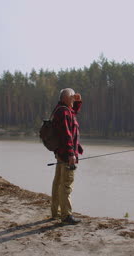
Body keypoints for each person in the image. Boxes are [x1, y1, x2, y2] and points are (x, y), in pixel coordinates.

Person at [51, 88, 83, 224]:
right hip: (66, 155)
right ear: (66, 98)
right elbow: (66, 134)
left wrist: (78, 101)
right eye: (72, 97)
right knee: (66, 185)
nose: (73, 99)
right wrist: (71, 154)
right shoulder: (64, 112)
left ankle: (56, 212)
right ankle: (66, 216)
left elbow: (73, 112)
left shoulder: (61, 110)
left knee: (58, 183)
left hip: (61, 154)